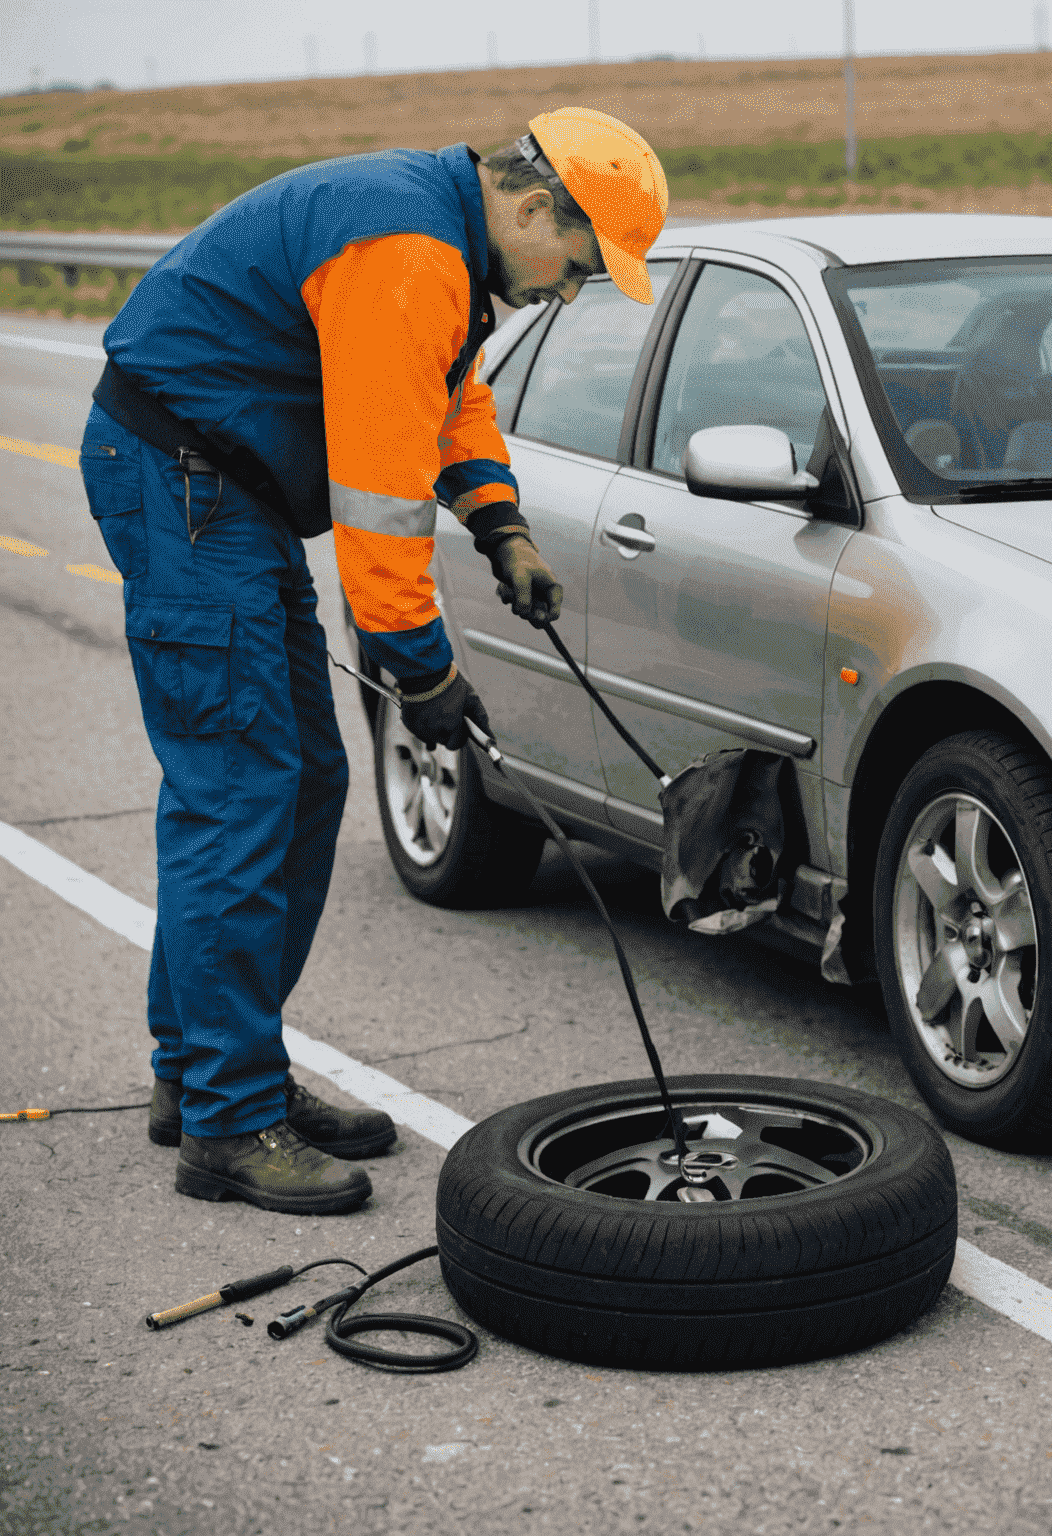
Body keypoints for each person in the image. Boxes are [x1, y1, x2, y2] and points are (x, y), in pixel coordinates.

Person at [79, 108, 669, 1215]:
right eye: (579, 262)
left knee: (299, 784)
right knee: (243, 797)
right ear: (537, 207)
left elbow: (448, 396)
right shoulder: (407, 251)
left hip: (224, 497)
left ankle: (207, 1071)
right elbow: (380, 493)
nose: (569, 289)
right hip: (185, 488)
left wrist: (503, 525)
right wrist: (425, 672)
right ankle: (226, 1116)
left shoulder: (441, 238)